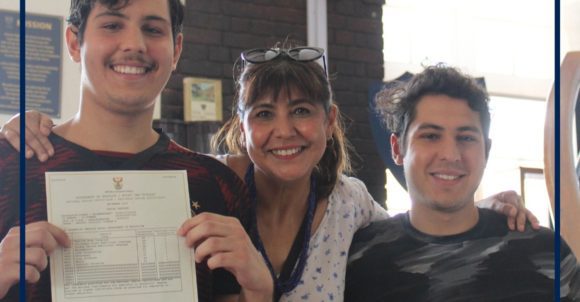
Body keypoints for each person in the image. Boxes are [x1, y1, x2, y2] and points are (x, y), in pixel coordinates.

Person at [2, 46, 539, 301]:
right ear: (242, 127)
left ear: (328, 122)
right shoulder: (199, 189)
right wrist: (33, 127)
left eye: (302, 111)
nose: (285, 131)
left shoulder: (350, 205)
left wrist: (489, 209)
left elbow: (419, 224)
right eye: (264, 114)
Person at [0, 0, 273, 301]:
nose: (134, 44)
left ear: (176, 50)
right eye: (113, 25)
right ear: (74, 42)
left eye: (153, 29)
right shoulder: (11, 164)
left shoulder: (218, 186)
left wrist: (259, 291)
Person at [344, 65, 580, 301]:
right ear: (398, 149)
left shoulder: (546, 254)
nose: (450, 154)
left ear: (486, 150)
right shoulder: (358, 262)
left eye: (466, 137)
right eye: (430, 136)